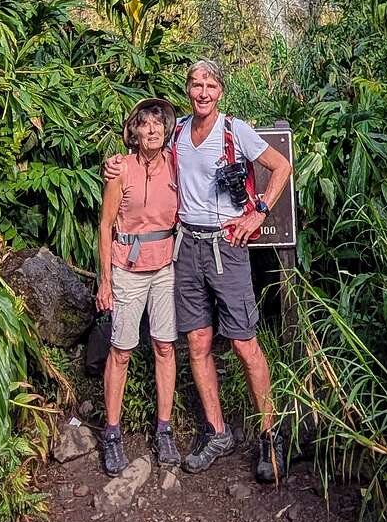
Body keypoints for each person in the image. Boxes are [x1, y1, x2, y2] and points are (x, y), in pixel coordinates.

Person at [106, 59, 292, 483]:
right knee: (197, 342)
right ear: (188, 90)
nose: (202, 91)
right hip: (187, 245)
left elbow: (281, 167)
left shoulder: (235, 130)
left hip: (228, 244)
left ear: (220, 91)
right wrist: (115, 165)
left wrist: (258, 212)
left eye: (210, 84)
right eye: (195, 84)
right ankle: (217, 431)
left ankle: (270, 434)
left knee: (245, 342)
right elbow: (145, 156)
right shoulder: (178, 134)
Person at [97, 97, 181, 476]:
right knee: (122, 351)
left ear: (166, 131)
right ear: (135, 131)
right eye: (145, 124)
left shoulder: (176, 165)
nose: (152, 130)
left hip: (165, 267)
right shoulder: (120, 170)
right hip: (127, 267)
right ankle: (111, 433)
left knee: (165, 346)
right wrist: (105, 280)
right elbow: (105, 225)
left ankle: (164, 430)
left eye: (158, 125)